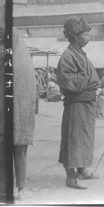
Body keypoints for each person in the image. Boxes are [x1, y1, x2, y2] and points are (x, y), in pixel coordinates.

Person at [56, 16, 100, 189]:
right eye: (86, 34)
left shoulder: (81, 54)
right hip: (75, 105)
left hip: (86, 104)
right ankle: (70, 176)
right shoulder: (67, 56)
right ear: (75, 36)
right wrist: (86, 79)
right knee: (73, 139)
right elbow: (70, 83)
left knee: (85, 138)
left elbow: (94, 79)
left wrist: (88, 81)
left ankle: (82, 170)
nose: (88, 37)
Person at [12, 28, 37, 199]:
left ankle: (17, 189)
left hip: (16, 109)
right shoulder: (24, 54)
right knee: (20, 150)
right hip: (21, 111)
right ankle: (20, 189)